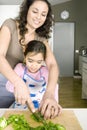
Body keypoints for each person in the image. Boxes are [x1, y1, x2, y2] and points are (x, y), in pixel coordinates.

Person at [0, 0, 61, 119]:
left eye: (43, 14)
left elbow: (52, 64)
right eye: (35, 11)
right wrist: (18, 82)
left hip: (26, 87)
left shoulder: (41, 38)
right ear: (27, 10)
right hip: (4, 82)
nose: (39, 17)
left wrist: (50, 94)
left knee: (23, 120)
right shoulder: (10, 25)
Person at [6, 40, 58, 110]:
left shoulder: (45, 71)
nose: (34, 65)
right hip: (20, 106)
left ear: (43, 60)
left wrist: (54, 103)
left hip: (39, 107)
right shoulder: (20, 68)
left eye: (39, 62)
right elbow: (9, 87)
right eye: (30, 61)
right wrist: (18, 86)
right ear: (25, 56)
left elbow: (54, 87)